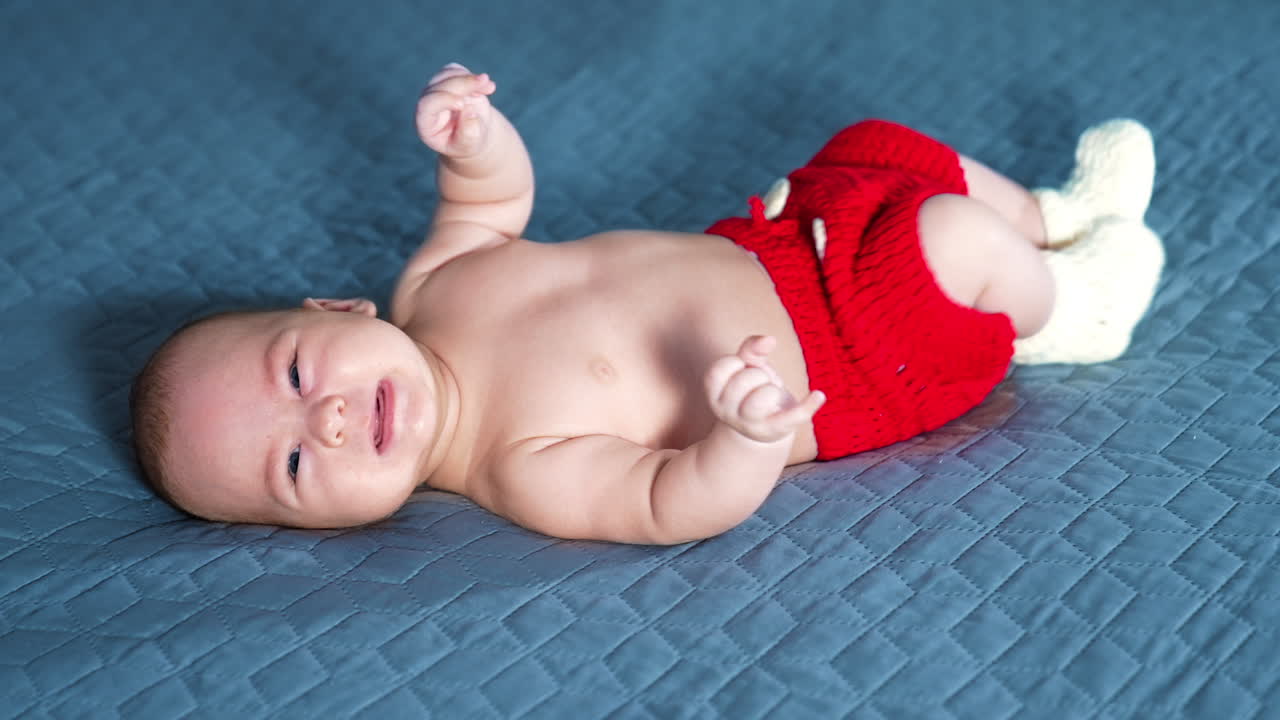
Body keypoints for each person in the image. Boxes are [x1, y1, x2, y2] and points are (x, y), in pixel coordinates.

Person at [129, 63, 1164, 544]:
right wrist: (746, 438)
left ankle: (1053, 215)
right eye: (298, 463)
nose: (333, 417)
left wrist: (472, 139)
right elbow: (668, 504)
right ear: (320, 528)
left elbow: (490, 201)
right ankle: (1068, 307)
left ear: (338, 310)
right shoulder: (514, 466)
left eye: (300, 375)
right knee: (942, 240)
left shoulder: (432, 286)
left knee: (876, 150)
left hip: (772, 239)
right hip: (845, 360)